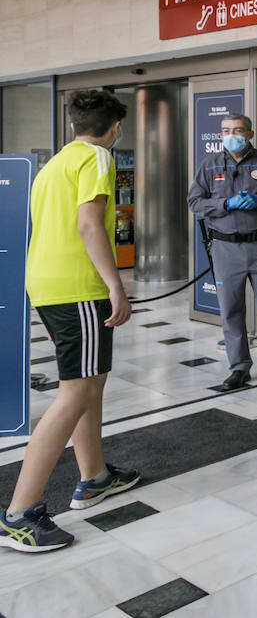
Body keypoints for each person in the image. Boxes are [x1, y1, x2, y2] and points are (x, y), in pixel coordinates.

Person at [2, 90, 141, 553]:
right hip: (77, 288)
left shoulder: (55, 164)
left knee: (90, 383)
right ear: (115, 127)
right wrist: (115, 285)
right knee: (75, 392)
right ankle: (20, 514)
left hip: (47, 283)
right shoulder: (98, 157)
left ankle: (94, 476)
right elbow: (88, 224)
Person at [187, 113, 257, 390]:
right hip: (226, 248)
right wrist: (225, 204)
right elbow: (195, 202)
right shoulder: (210, 165)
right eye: (225, 130)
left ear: (250, 133)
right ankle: (238, 368)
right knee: (231, 310)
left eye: (237, 130)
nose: (231, 135)